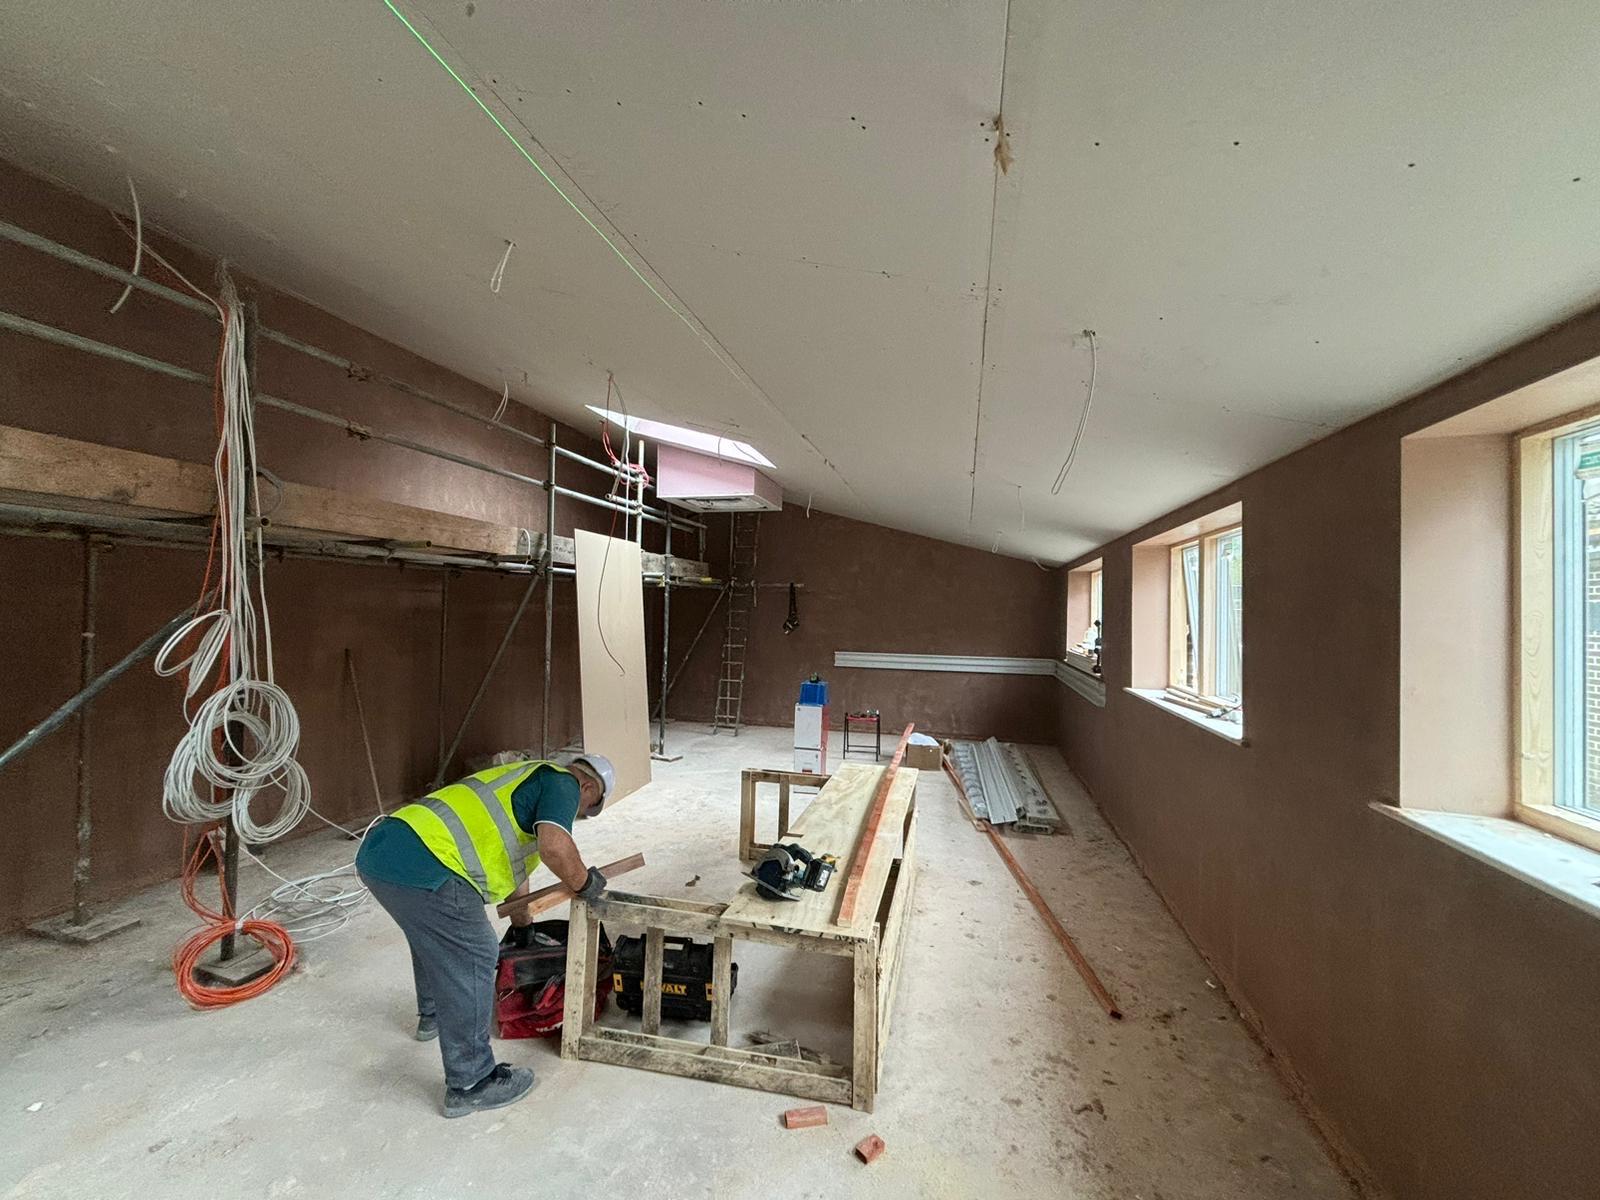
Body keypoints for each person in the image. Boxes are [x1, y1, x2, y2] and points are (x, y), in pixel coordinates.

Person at [355, 753, 615, 1117]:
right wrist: (584, 883)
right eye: (587, 808)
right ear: (589, 787)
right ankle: (471, 1082)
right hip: (430, 861)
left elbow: (514, 870)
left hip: (383, 851)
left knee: (433, 930)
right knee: (474, 952)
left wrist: (523, 926)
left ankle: (432, 1014)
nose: (578, 814)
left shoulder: (521, 780)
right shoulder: (563, 783)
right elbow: (555, 847)